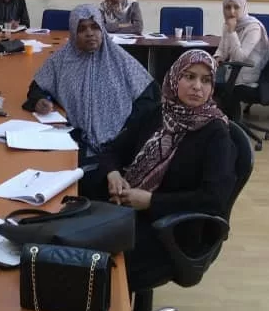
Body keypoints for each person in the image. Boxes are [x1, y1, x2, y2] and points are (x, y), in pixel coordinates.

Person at [93, 50, 237, 291]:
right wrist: (113, 173)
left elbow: (214, 199)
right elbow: (112, 149)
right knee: (77, 233)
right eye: (189, 76)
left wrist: (151, 201)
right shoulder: (159, 113)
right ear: (174, 78)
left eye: (206, 80)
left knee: (99, 263)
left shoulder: (216, 134)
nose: (197, 87)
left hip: (173, 230)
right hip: (130, 209)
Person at [22, 5, 159, 160]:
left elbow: (149, 98)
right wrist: (39, 101)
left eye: (95, 27)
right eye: (82, 29)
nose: (89, 33)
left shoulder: (120, 60)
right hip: (73, 141)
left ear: (102, 30)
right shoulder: (60, 61)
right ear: (73, 33)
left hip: (118, 146)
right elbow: (37, 87)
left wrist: (126, 131)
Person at [214, 0, 269, 117]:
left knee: (211, 85)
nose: (232, 11)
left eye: (236, 7)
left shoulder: (254, 28)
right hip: (231, 70)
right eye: (227, 7)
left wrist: (232, 32)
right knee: (204, 77)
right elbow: (222, 49)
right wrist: (218, 57)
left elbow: (240, 57)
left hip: (246, 75)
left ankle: (228, 120)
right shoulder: (228, 24)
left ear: (244, 7)